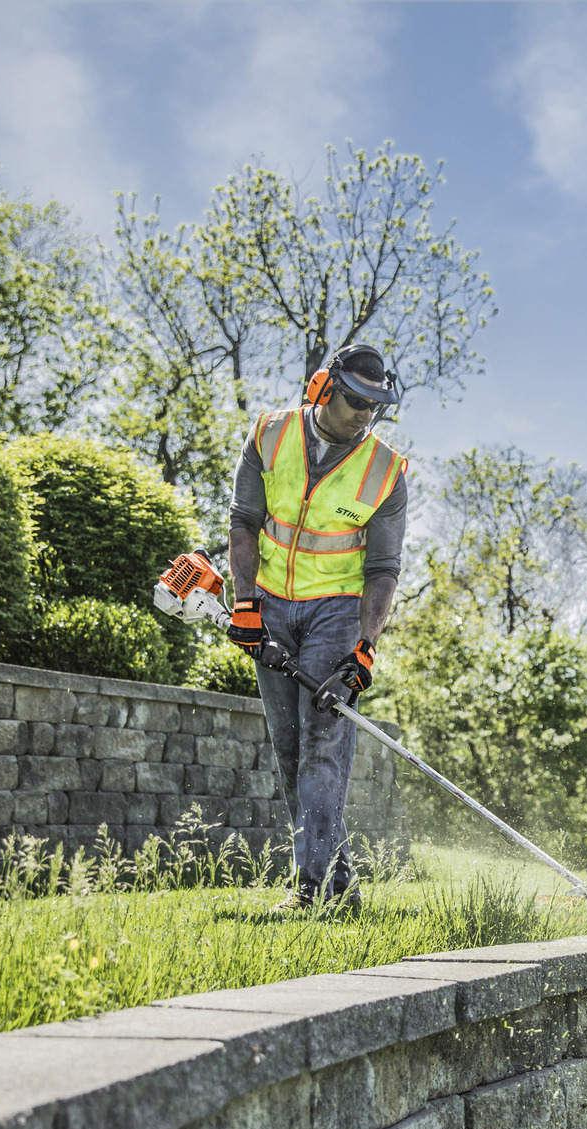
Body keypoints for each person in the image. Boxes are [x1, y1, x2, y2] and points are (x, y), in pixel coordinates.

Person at [226, 344, 408, 903]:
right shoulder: (270, 435)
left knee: (323, 743)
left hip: (336, 611)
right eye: (354, 400)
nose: (363, 414)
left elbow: (383, 569)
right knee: (288, 748)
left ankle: (309, 890)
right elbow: (244, 521)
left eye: (375, 406)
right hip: (272, 606)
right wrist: (246, 604)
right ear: (323, 388)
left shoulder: (386, 471)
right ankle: (341, 887)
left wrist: (364, 648)